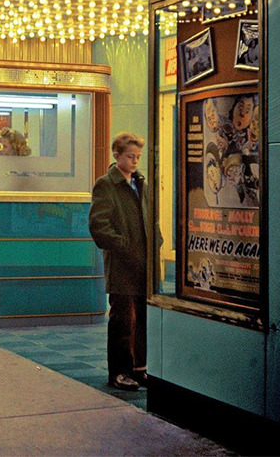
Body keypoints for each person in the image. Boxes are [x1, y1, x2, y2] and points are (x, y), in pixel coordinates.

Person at [88, 131, 150, 392]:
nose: (135, 160)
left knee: (142, 319)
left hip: (144, 262)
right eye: (130, 156)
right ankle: (119, 372)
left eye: (138, 156)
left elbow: (151, 218)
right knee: (123, 320)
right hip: (123, 263)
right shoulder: (106, 184)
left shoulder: (141, 183)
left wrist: (154, 243)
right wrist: (123, 246)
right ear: (117, 154)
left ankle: (139, 369)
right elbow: (98, 225)